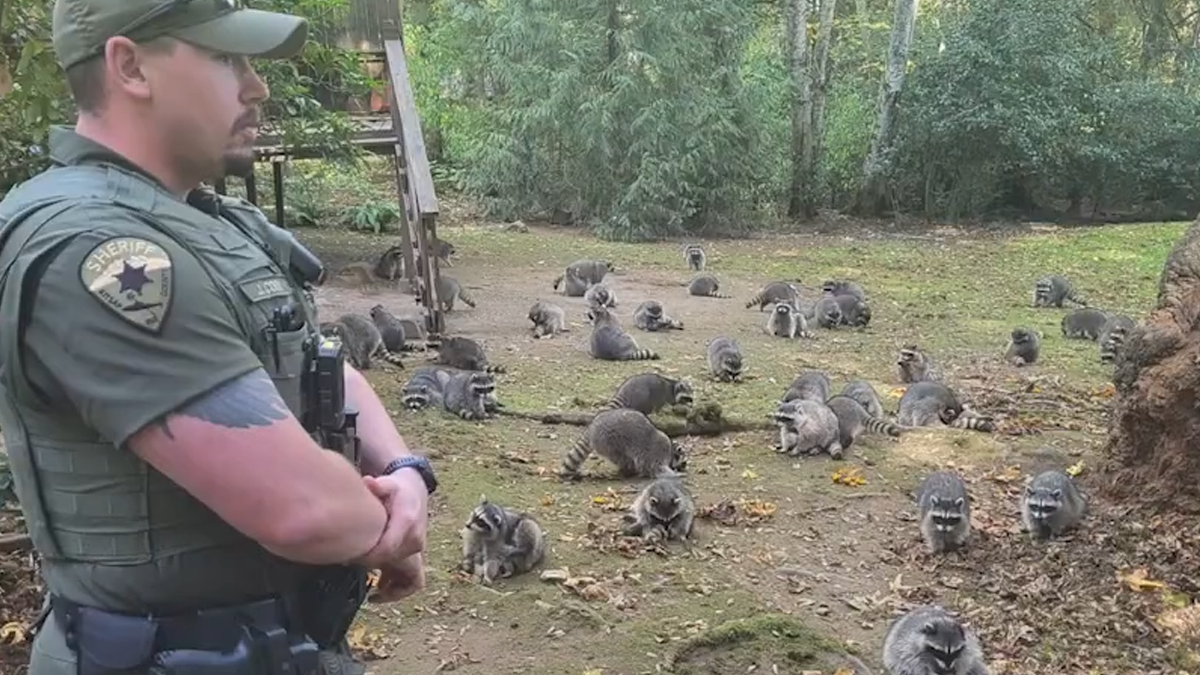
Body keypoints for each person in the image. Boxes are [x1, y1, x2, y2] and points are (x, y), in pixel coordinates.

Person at [0, 1, 437, 674]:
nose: (256, 87)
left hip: (271, 646)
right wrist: (387, 524)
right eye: (226, 59)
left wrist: (405, 471)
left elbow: (318, 363)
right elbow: (301, 508)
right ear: (129, 66)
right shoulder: (99, 253)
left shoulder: (201, 221)